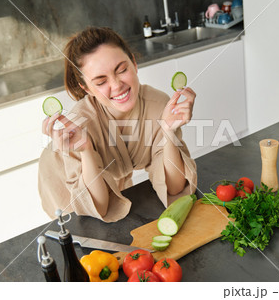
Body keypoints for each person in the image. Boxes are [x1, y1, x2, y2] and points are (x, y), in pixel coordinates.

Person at [38, 26, 197, 222]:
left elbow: (174, 187)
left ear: (134, 63)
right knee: (75, 230)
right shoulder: (78, 125)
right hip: (62, 174)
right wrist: (86, 149)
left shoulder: (158, 106)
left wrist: (168, 133)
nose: (117, 85)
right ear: (86, 88)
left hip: (115, 172)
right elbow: (100, 207)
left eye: (121, 70)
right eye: (100, 81)